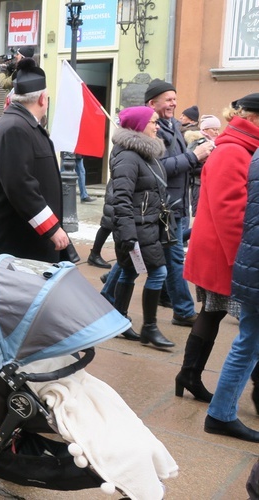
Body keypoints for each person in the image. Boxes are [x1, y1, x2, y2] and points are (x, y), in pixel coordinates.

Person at [178, 94, 259, 402]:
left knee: (213, 313)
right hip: (224, 252)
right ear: (252, 118)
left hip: (223, 250)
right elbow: (231, 212)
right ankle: (190, 375)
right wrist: (243, 258)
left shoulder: (238, 146)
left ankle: (188, 374)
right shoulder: (234, 150)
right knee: (219, 314)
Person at [0, 58, 68, 264]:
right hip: (13, 244)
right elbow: (21, 186)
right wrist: (51, 227)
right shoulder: (15, 128)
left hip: (25, 241)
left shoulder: (22, 124)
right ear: (43, 99)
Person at [204, 135, 259, 443]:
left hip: (251, 262)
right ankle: (221, 413)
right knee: (249, 343)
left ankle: (221, 412)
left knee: (249, 342)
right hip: (252, 264)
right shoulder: (234, 150)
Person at [145, 79, 213, 327]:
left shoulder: (173, 126)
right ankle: (183, 311)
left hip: (177, 203)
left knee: (142, 259)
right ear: (153, 103)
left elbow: (182, 165)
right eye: (168, 99)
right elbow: (159, 169)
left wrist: (201, 159)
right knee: (174, 258)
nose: (174, 103)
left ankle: (110, 293)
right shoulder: (151, 131)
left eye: (175, 98)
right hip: (164, 206)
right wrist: (192, 156)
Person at [106, 106, 174, 348]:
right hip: (136, 227)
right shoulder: (128, 156)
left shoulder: (146, 153)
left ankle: (119, 320)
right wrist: (128, 235)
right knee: (159, 272)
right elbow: (121, 198)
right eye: (153, 122)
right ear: (138, 125)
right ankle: (150, 328)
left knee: (129, 271)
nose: (158, 126)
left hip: (147, 225)